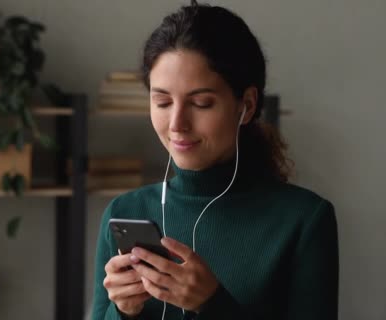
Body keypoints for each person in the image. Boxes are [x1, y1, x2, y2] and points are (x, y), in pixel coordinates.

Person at [91, 1, 339, 319]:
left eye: (202, 103)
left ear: (246, 106)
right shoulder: (125, 212)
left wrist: (212, 304)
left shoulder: (304, 220)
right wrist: (122, 311)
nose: (177, 123)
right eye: (162, 101)